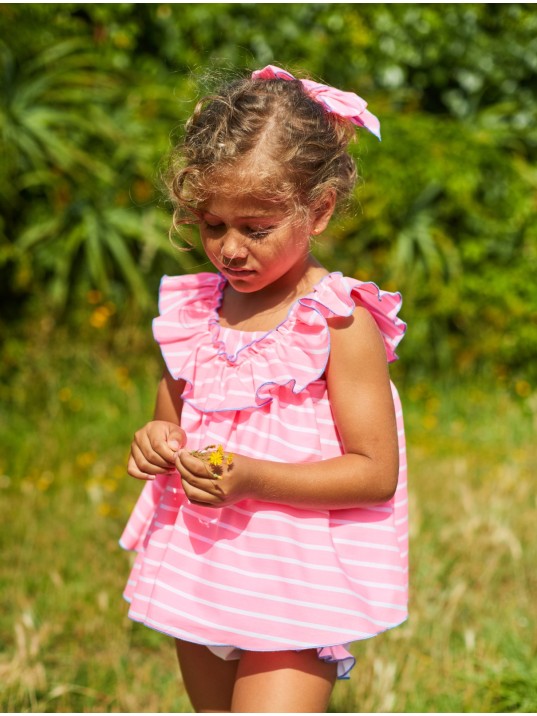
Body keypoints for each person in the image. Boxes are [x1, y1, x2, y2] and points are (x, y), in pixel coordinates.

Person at [120, 65, 408, 713]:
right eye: (210, 224)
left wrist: (253, 477)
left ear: (320, 211)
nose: (228, 249)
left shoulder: (338, 320)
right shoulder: (195, 312)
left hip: (295, 586)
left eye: (256, 229)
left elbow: (373, 473)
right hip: (204, 572)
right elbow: (171, 425)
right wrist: (155, 442)